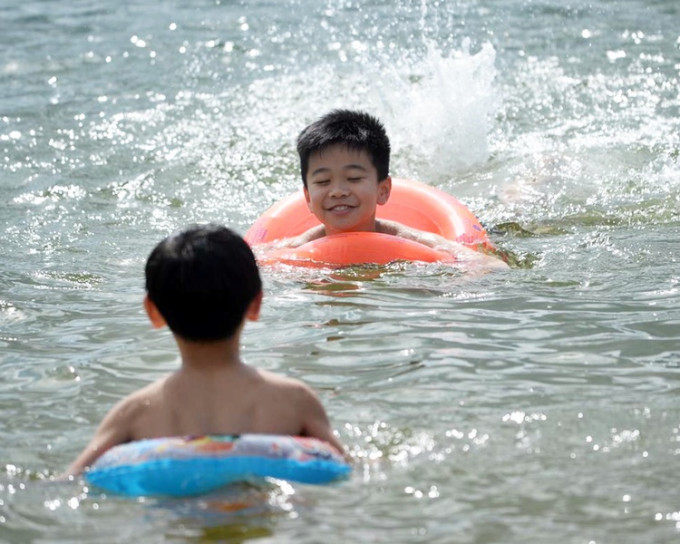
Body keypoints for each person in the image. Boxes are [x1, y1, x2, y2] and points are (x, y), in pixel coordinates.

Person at [66, 224, 344, 475]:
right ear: (256, 304)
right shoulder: (293, 400)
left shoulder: (136, 412)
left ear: (153, 312)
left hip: (178, 521)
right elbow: (345, 466)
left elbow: (72, 477)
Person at [276, 109, 508, 268]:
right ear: (307, 197)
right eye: (323, 182)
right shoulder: (297, 247)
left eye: (354, 178)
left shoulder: (410, 239)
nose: (337, 191)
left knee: (507, 218)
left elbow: (490, 265)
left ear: (383, 190)